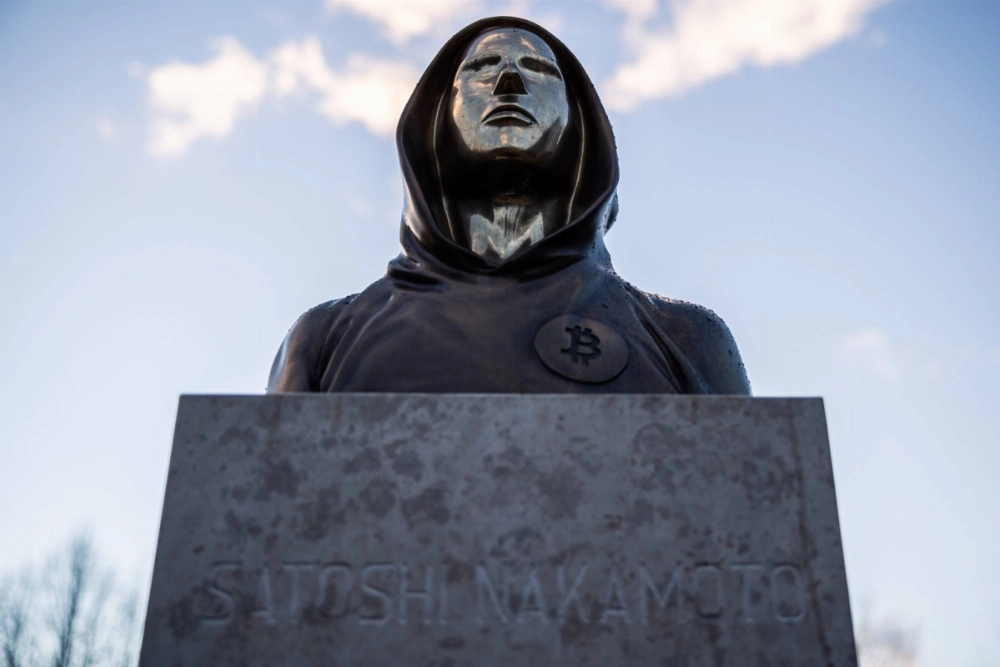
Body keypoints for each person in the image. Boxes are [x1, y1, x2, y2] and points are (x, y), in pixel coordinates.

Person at [267, 17, 750, 394]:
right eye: (481, 70)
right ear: (439, 117)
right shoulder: (323, 340)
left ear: (580, 127)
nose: (508, 85)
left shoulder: (687, 338)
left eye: (537, 71)